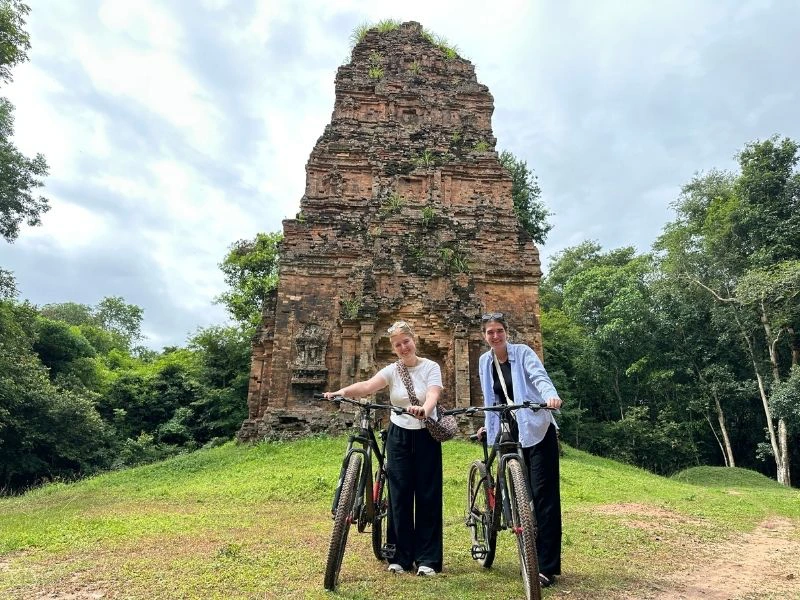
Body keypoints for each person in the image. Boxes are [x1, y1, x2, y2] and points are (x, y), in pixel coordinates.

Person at [324, 320, 444, 576]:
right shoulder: (392, 370)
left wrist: (426, 409)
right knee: (399, 495)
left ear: (415, 340)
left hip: (426, 435)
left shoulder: (431, 367)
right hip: (398, 435)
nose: (403, 347)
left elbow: (433, 393)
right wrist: (340, 391)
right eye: (398, 344)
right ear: (394, 348)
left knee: (427, 496)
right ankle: (400, 555)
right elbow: (367, 386)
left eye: (406, 341)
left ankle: (427, 559)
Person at [477, 312, 563, 588]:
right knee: (515, 491)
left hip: (536, 426)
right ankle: (523, 541)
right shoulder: (484, 361)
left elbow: (540, 377)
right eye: (490, 332)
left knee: (543, 494)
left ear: (506, 332)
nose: (495, 336)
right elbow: (491, 397)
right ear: (484, 335)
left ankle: (546, 567)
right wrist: (487, 426)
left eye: (499, 331)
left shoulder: (523, 353)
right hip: (508, 429)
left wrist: (550, 396)